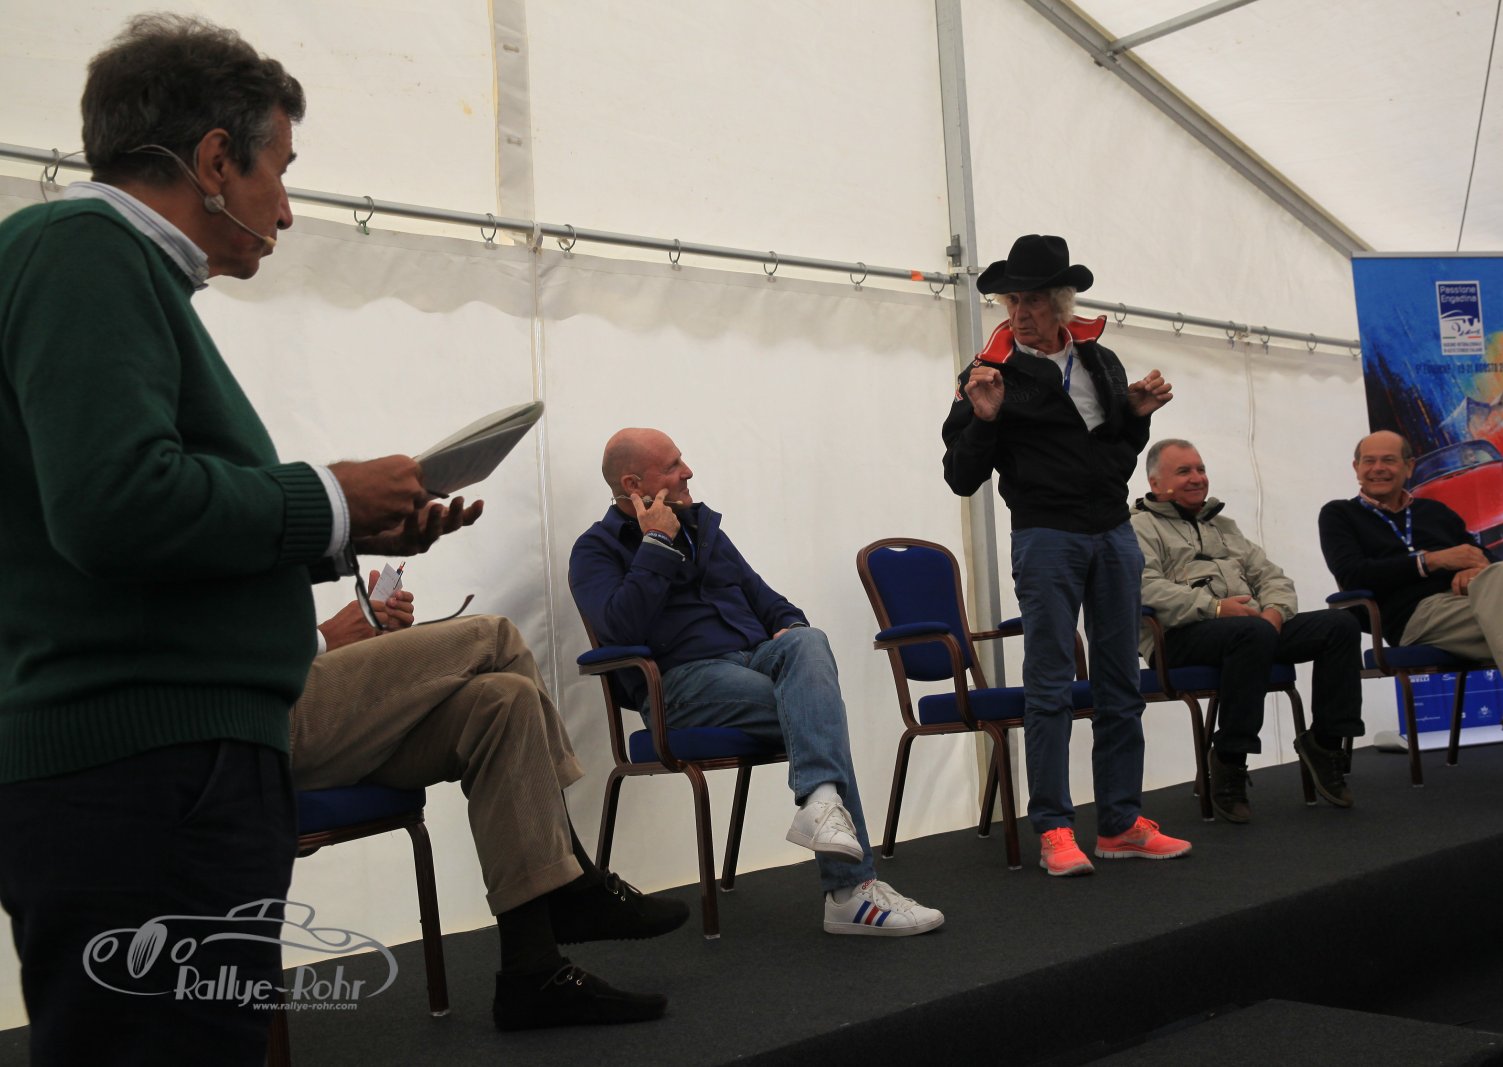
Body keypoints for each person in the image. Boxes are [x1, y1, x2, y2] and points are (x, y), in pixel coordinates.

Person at [0, 16, 466, 1062]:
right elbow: (117, 506)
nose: (286, 210)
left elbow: (125, 521)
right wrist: (331, 497)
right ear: (215, 160)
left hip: (151, 767)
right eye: (279, 171)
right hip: (149, 770)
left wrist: (342, 528)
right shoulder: (84, 251)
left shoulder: (92, 265)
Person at [569, 428, 944, 937]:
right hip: (680, 684)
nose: (688, 472)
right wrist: (656, 543)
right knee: (815, 711)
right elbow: (618, 629)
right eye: (673, 465)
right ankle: (850, 891)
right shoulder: (595, 549)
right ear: (634, 484)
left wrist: (788, 624)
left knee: (808, 640)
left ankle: (820, 806)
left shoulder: (705, 532)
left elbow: (770, 601)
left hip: (755, 662)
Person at [301, 581, 687, 1029]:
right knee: (494, 636)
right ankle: (578, 887)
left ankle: (531, 971)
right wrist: (325, 638)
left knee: (506, 702)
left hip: (314, 713)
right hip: (264, 719)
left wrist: (363, 640)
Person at [941, 233, 1191, 877]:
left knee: (1120, 681)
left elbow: (1114, 458)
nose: (1019, 313)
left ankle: (1120, 824)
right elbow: (961, 476)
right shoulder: (987, 373)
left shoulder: (1100, 361)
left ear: (1060, 303)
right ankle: (1054, 827)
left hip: (1113, 530)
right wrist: (985, 419)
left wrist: (1136, 417)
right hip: (1046, 535)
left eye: (1032, 300)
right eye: (1011, 301)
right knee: (1049, 685)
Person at [1319, 430, 1503, 791]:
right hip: (1413, 616)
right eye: (1369, 461)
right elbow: (1353, 573)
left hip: (1469, 606)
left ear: (1408, 467)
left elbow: (1483, 557)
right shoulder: (1339, 514)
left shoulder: (1433, 511)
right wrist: (1432, 561)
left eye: (1388, 460)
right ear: (1356, 467)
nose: (1378, 468)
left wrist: (1475, 569)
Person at [1131, 439, 1365, 821]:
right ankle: (1229, 759)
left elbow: (1271, 576)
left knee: (1340, 624)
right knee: (1251, 634)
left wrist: (1275, 612)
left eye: (1201, 469)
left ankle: (1324, 744)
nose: (1197, 478)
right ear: (1156, 483)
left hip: (1250, 631)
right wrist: (1215, 607)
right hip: (1177, 637)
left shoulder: (1223, 526)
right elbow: (1144, 588)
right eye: (1184, 471)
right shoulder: (1138, 527)